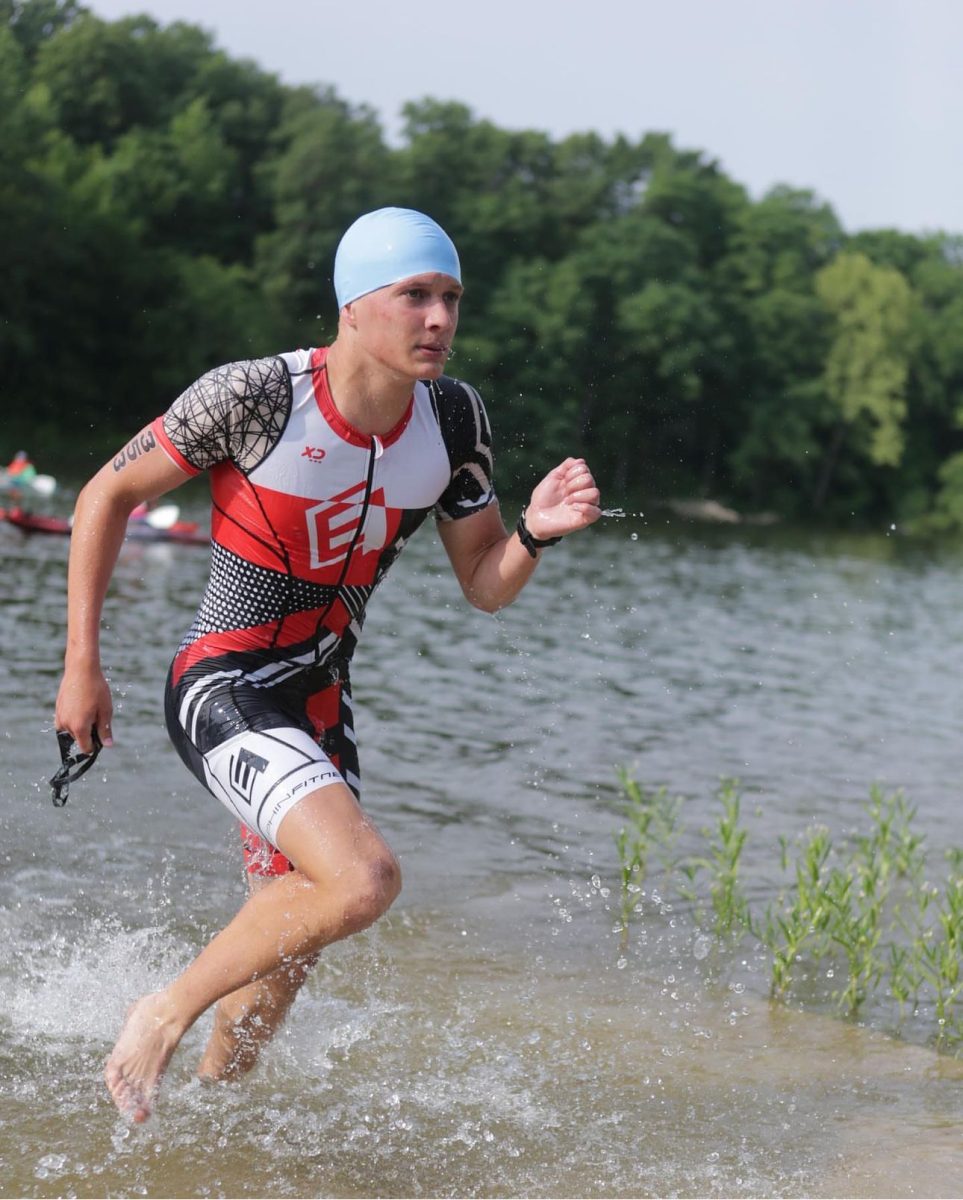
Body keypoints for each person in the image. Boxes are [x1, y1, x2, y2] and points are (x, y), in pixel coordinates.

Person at [55, 206, 601, 1123]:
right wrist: (83, 664)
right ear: (354, 306)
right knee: (362, 880)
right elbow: (106, 492)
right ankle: (163, 1011)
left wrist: (535, 532)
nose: (439, 319)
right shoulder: (254, 397)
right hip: (222, 685)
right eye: (414, 296)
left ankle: (207, 1125)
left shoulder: (455, 418)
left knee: (292, 939)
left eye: (451, 298)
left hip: (316, 703)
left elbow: (483, 581)